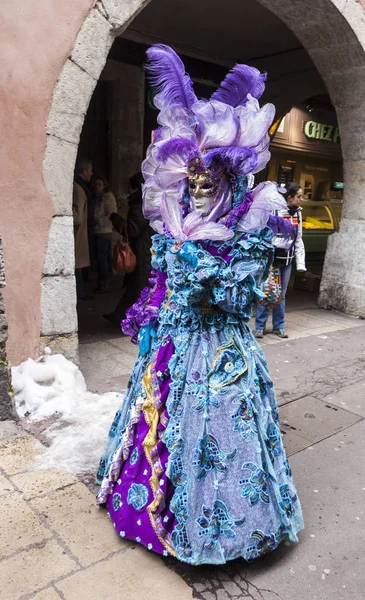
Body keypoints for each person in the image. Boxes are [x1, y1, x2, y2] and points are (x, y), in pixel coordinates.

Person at [96, 45, 303, 565]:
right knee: (160, 422)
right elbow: (162, 283)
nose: (198, 192)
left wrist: (219, 277)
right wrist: (152, 308)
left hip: (221, 349)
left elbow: (256, 296)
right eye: (191, 184)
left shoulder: (248, 229)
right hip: (173, 344)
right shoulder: (176, 228)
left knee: (221, 427)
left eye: (208, 184)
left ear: (230, 181)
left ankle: (224, 525)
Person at [254, 182, 306, 339]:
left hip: (287, 261)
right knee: (266, 291)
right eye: (298, 197)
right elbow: (268, 234)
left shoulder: (298, 213)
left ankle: (279, 326)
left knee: (281, 295)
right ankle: (259, 327)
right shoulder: (276, 210)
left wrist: (301, 263)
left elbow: (299, 238)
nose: (300, 200)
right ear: (289, 198)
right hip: (273, 259)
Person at [103, 172, 153, 325]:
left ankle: (134, 319)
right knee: (134, 286)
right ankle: (120, 315)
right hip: (143, 249)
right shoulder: (146, 202)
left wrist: (115, 218)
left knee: (139, 286)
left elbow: (131, 229)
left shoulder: (139, 204)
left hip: (142, 251)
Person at [73, 159, 93, 301]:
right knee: (77, 265)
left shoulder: (80, 187)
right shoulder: (79, 189)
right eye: (90, 170)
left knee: (78, 265)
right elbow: (78, 218)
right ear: (84, 171)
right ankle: (79, 293)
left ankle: (80, 292)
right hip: (78, 234)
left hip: (81, 233)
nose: (92, 174)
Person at [93, 176, 117, 293]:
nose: (97, 187)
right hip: (97, 230)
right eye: (96, 184)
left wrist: (97, 220)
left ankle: (105, 281)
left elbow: (111, 214)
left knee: (102, 258)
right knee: (100, 258)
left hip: (104, 230)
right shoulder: (97, 197)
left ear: (105, 186)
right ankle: (102, 281)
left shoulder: (107, 197)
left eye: (99, 184)